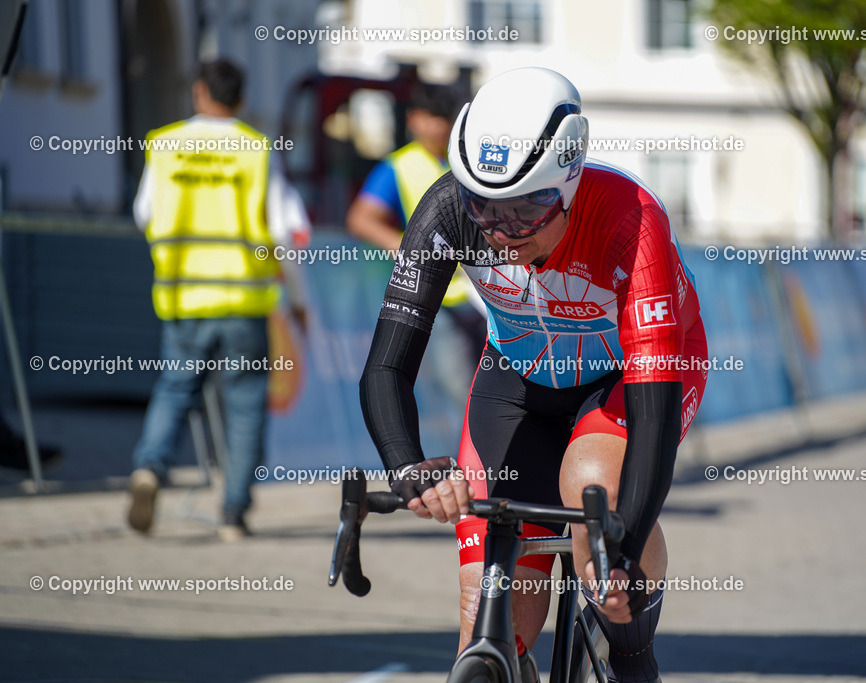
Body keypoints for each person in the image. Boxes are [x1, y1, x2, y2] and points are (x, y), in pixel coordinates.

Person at [360, 67, 708, 682]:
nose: (500, 230)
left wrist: (622, 554)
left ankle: (631, 659)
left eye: (527, 209)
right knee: (483, 613)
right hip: (518, 379)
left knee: (591, 492)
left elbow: (653, 417)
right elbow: (387, 367)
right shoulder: (447, 210)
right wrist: (407, 467)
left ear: (569, 187)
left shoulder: (631, 219)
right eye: (484, 206)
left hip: (626, 378)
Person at [128, 59, 310, 541]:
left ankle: (149, 468)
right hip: (244, 301)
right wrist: (296, 297)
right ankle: (233, 513)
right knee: (246, 404)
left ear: (198, 92)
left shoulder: (165, 145)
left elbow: (145, 213)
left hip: (184, 297)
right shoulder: (255, 149)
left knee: (174, 389)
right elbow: (281, 231)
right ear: (241, 99)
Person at [347, 83, 486, 411]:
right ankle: (475, 460)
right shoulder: (398, 166)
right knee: (460, 390)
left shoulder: (473, 160)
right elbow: (361, 218)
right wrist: (407, 247)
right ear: (414, 120)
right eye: (431, 118)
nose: (438, 126)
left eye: (444, 118)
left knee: (496, 385)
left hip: (486, 293)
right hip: (439, 298)